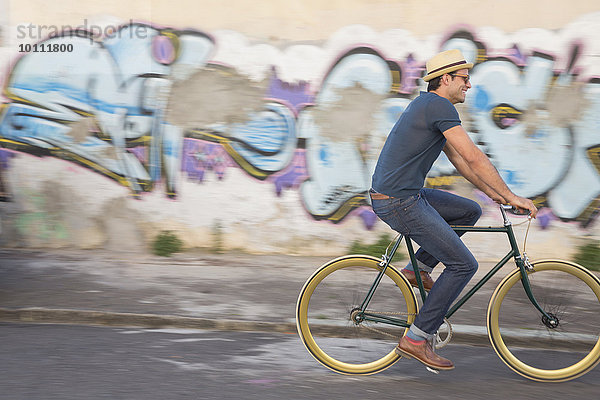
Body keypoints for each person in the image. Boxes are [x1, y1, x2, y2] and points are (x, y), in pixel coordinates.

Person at [369, 49, 538, 371]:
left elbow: (460, 162)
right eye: (464, 79)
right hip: (398, 201)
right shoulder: (437, 105)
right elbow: (473, 156)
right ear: (445, 79)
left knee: (467, 211)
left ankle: (416, 269)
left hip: (404, 194)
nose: (469, 86)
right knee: (462, 265)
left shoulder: (429, 106)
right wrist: (511, 195)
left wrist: (494, 195)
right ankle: (416, 339)